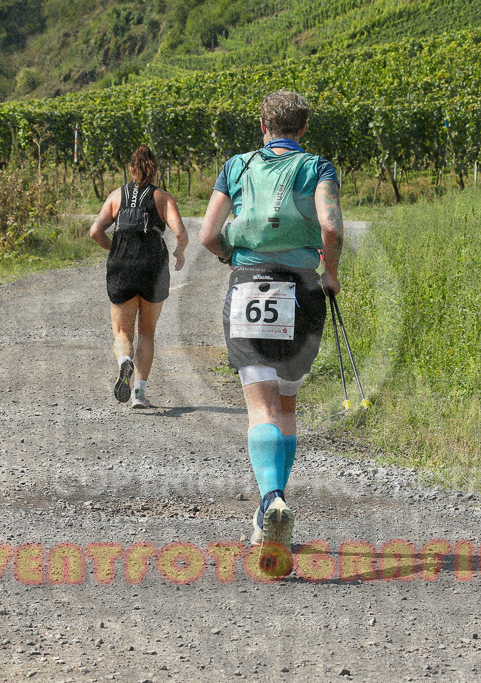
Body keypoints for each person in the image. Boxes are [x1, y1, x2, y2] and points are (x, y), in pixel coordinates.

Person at [199, 90, 344, 556]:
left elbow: (208, 234)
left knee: (260, 408)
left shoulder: (235, 166)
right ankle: (273, 508)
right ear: (303, 129)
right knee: (286, 406)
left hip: (249, 286)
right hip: (304, 291)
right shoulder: (318, 167)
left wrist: (229, 255)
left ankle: (271, 501)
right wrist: (331, 272)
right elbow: (331, 227)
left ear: (263, 126)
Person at [89, 145, 187, 409]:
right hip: (153, 267)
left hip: (122, 265)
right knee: (146, 333)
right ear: (155, 169)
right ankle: (139, 395)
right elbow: (180, 233)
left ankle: (124, 361)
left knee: (122, 332)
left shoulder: (115, 196)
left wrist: (115, 249)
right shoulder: (162, 198)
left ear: (131, 168)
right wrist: (179, 252)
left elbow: (95, 231)